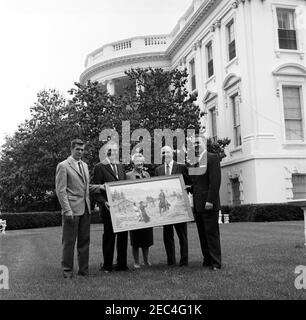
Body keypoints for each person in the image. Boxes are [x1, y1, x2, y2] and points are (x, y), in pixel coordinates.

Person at [55, 139, 104, 278]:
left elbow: (86, 188)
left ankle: (83, 272)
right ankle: (67, 272)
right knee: (69, 242)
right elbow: (61, 190)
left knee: (84, 242)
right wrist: (67, 209)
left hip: (85, 209)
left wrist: (100, 187)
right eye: (78, 149)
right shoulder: (63, 166)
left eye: (82, 149)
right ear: (72, 149)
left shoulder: (85, 165)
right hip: (71, 210)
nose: (80, 152)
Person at [93, 141, 129, 273]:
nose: (113, 152)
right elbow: (96, 190)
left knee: (123, 237)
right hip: (108, 208)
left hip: (122, 208)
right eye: (110, 150)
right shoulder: (99, 167)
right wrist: (103, 202)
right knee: (109, 237)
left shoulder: (120, 166)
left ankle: (122, 265)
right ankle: (107, 266)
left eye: (115, 150)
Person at [155, 146, 191, 267]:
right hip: (166, 209)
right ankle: (171, 261)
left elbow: (189, 183)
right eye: (163, 153)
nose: (165, 154)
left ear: (172, 153)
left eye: (168, 152)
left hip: (179, 208)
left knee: (182, 236)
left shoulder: (181, 167)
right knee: (168, 236)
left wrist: (188, 189)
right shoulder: (158, 170)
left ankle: (184, 261)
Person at [190, 134, 222, 271]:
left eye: (198, 143)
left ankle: (216, 263)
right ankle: (207, 260)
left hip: (208, 204)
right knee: (202, 235)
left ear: (204, 143)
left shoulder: (212, 158)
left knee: (211, 234)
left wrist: (210, 201)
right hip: (198, 205)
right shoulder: (194, 161)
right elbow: (195, 184)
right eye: (194, 144)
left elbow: (215, 182)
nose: (196, 146)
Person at [126, 153, 153, 269]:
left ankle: (146, 261)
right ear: (133, 163)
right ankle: (136, 262)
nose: (140, 164)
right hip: (135, 210)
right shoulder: (128, 175)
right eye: (137, 162)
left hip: (146, 209)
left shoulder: (147, 174)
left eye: (141, 162)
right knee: (136, 238)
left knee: (146, 237)